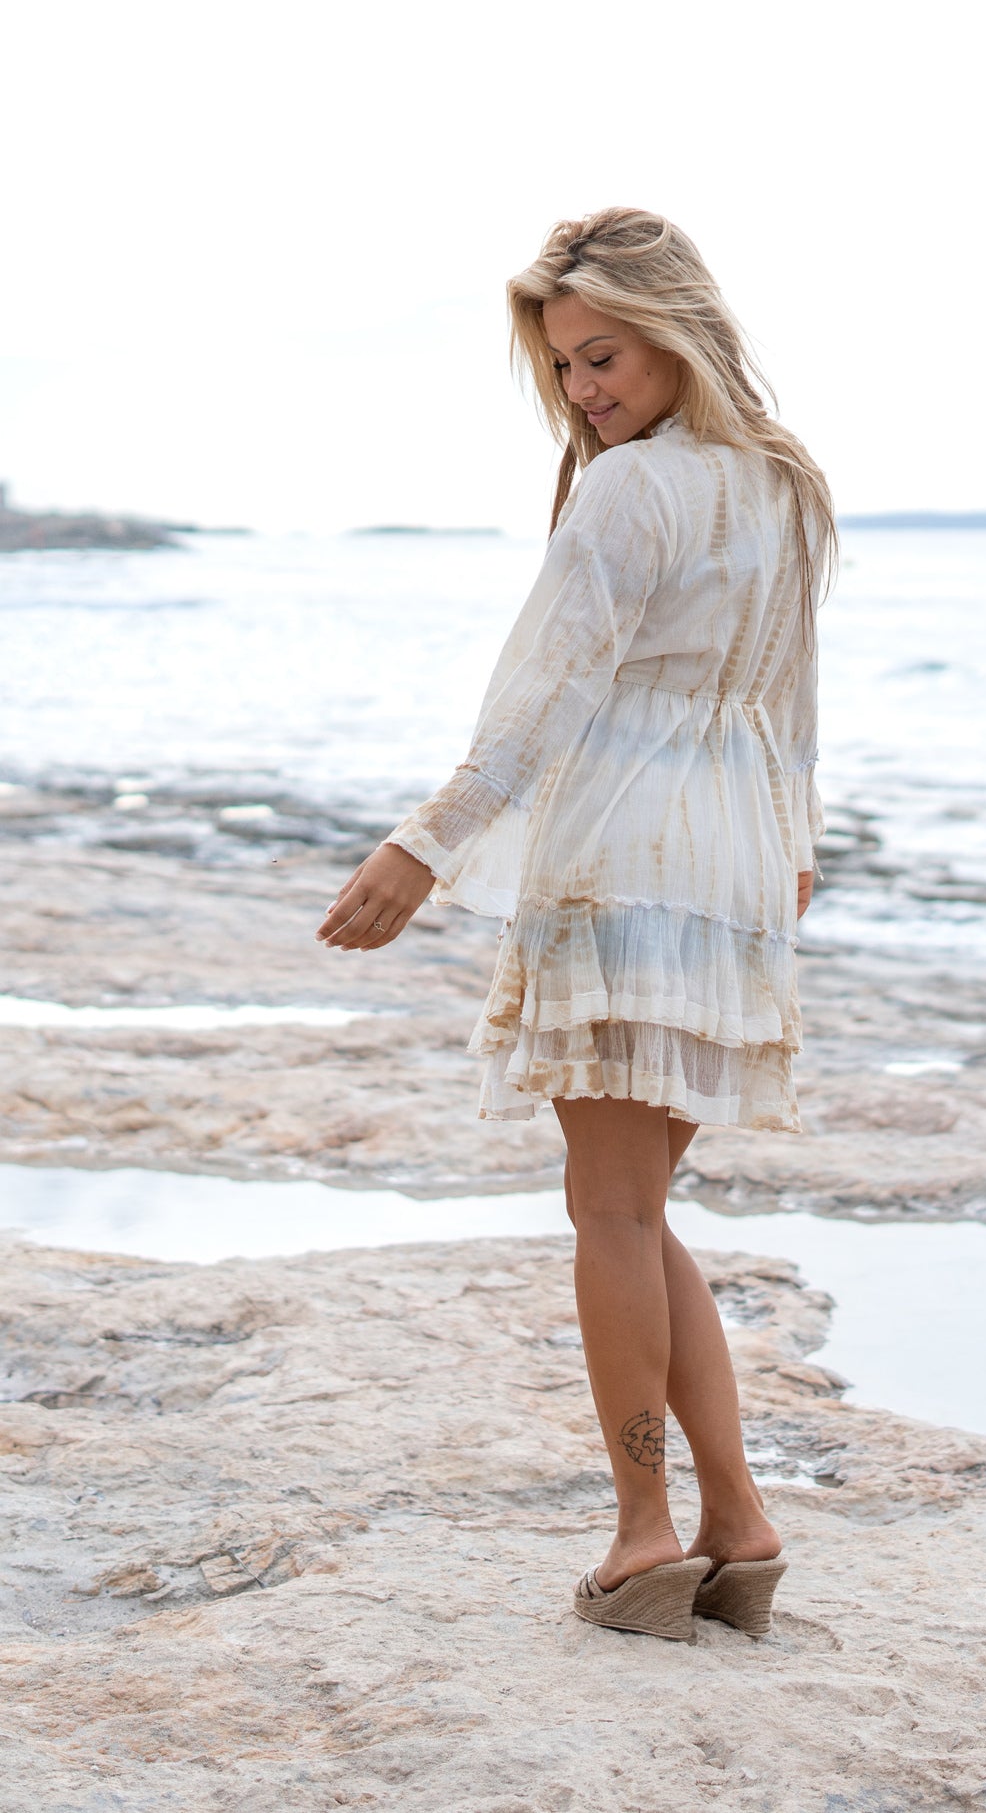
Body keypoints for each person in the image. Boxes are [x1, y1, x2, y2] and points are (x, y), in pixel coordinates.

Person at [315, 208, 836, 1643]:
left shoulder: (630, 490)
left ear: (676, 331)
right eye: (563, 366)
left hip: (623, 851)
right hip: (732, 862)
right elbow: (794, 710)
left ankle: (642, 1533)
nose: (582, 389)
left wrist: (424, 846)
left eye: (602, 356)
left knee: (608, 1211)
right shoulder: (787, 482)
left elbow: (541, 694)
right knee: (641, 1208)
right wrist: (791, 851)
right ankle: (739, 1522)